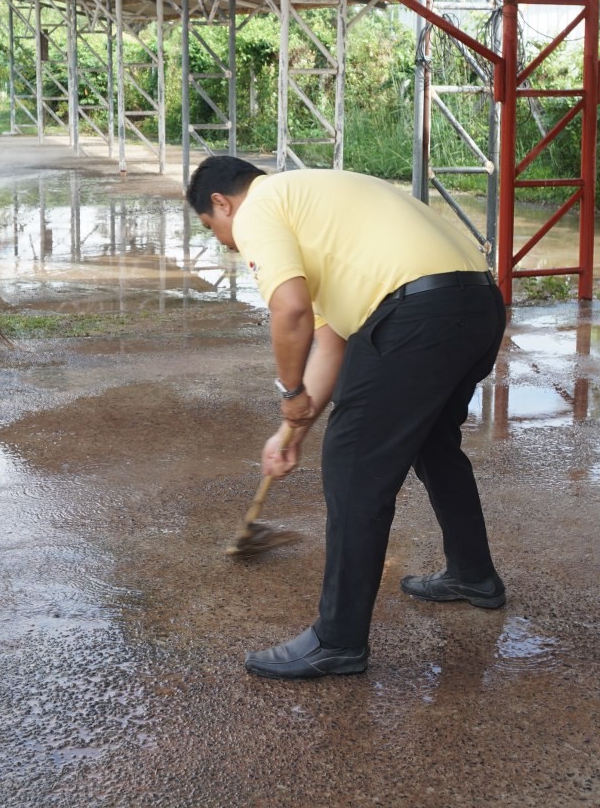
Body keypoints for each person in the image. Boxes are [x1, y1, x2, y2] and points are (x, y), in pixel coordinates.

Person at [188, 156, 508, 680]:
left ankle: (337, 640)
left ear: (222, 203)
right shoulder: (313, 204)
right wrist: (291, 431)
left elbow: (289, 310)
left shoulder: (258, 208)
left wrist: (290, 392)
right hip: (477, 305)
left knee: (352, 466)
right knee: (433, 445)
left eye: (212, 226)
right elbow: (331, 344)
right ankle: (473, 575)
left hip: (415, 315)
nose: (225, 242)